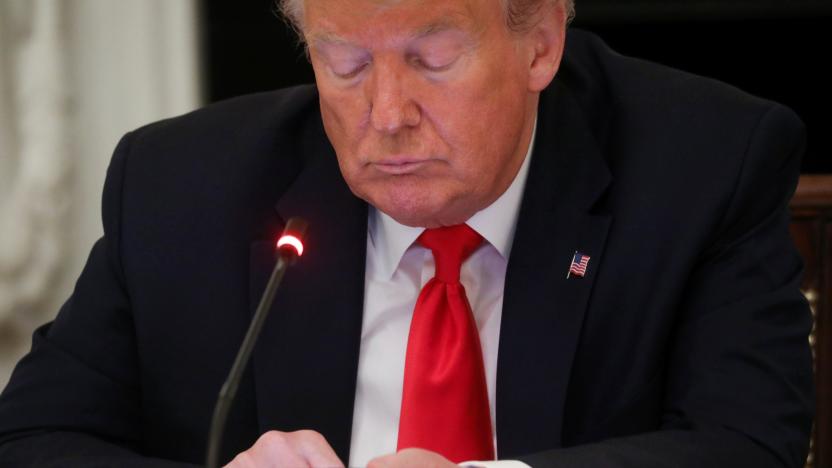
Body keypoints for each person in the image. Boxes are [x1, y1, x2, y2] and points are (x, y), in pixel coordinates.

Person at [0, 0, 815, 466]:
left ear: (540, 44)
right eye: (346, 64)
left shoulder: (705, 166)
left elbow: (747, 447)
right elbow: (32, 440)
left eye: (431, 60)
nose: (386, 115)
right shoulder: (182, 187)